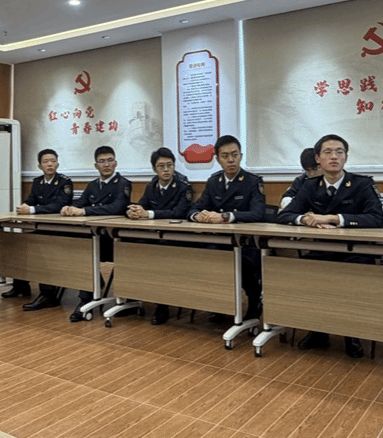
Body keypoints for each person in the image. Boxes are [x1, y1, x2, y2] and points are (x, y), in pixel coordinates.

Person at [277, 134, 383, 358]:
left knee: (350, 282)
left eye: (339, 152)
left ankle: (351, 334)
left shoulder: (362, 184)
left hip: (355, 251)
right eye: (328, 152)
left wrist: (334, 219)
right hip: (322, 250)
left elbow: (376, 218)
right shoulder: (310, 186)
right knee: (309, 275)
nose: (334, 156)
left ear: (346, 157)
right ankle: (318, 330)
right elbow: (284, 215)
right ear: (318, 158)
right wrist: (305, 219)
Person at [188, 135, 265, 321]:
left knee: (243, 262)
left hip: (246, 243)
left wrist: (225, 217)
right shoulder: (214, 182)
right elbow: (195, 208)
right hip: (220, 241)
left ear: (241, 156)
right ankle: (222, 303)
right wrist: (198, 216)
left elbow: (258, 214)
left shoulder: (252, 181)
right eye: (225, 156)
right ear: (217, 159)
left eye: (234, 155)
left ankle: (254, 301)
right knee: (206, 256)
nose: (231, 160)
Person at [60, 146, 132, 322]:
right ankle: (90, 291)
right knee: (77, 246)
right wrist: (69, 208)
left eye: (110, 160)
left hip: (113, 239)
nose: (106, 164)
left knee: (85, 246)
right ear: (96, 165)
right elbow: (81, 203)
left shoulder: (123, 184)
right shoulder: (93, 185)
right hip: (95, 237)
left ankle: (89, 297)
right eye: (102, 161)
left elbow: (117, 208)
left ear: (115, 163)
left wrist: (84, 211)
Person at [126, 147, 193, 325]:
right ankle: (130, 296)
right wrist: (133, 211)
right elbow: (142, 205)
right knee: (127, 245)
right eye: (161, 166)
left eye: (169, 165)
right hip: (154, 236)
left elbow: (179, 212)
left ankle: (162, 304)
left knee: (159, 255)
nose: (166, 170)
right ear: (154, 169)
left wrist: (148, 214)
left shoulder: (183, 186)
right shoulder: (152, 186)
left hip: (175, 238)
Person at [18, 149, 74, 310]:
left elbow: (60, 205)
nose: (50, 164)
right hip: (43, 226)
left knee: (41, 245)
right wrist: (24, 207)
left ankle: (48, 294)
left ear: (57, 164)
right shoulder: (37, 182)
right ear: (39, 166)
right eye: (46, 161)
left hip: (60, 228)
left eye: (53, 161)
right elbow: (31, 200)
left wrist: (32, 210)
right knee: (19, 242)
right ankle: (20, 286)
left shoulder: (65, 182)